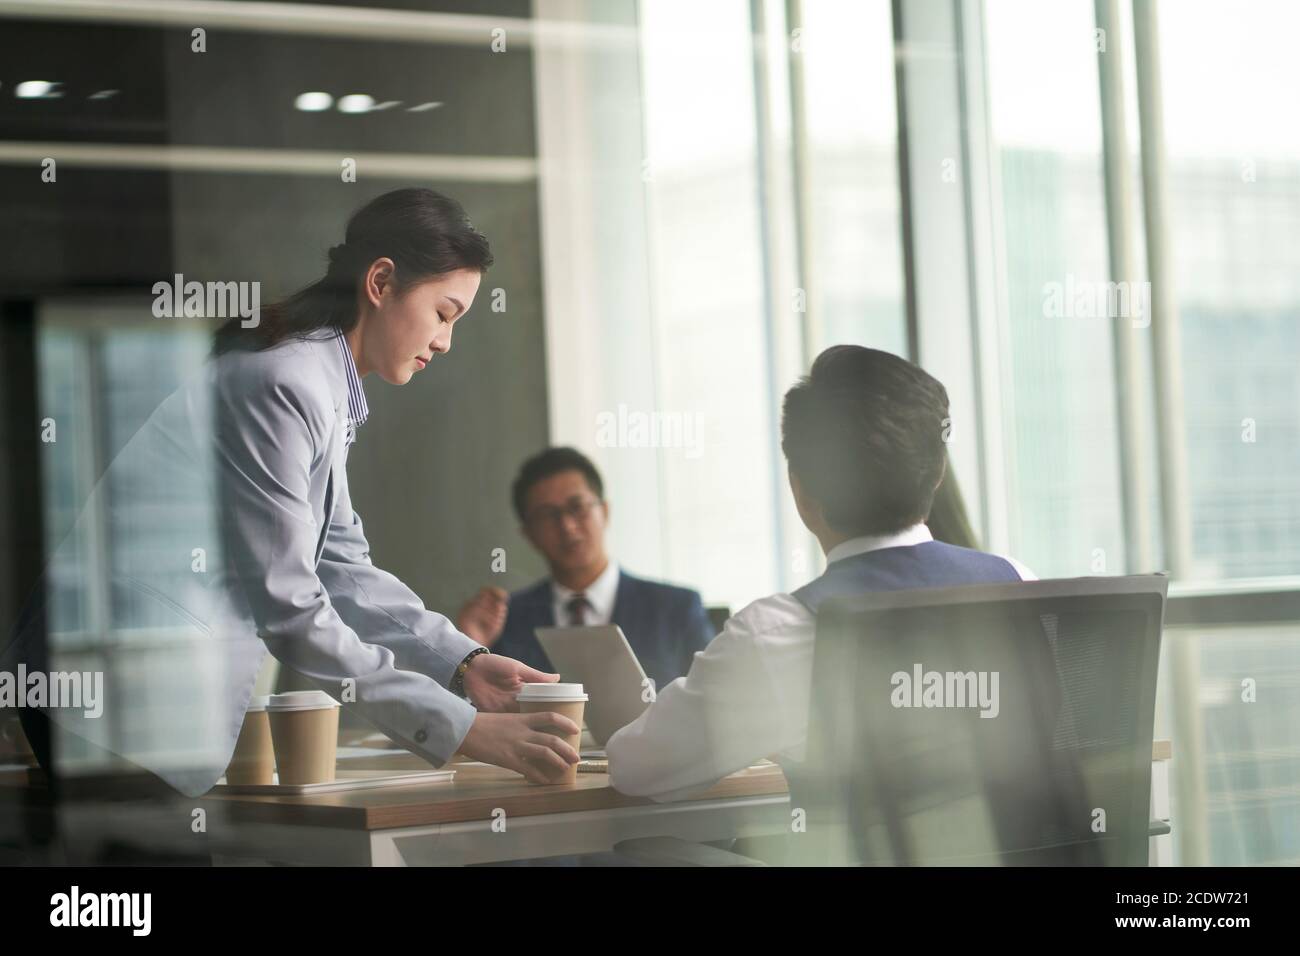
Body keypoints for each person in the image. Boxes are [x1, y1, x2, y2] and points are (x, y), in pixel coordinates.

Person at [6, 188, 579, 796]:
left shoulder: (318, 383)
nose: (445, 341)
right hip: (114, 700)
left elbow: (341, 565)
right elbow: (292, 608)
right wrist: (463, 730)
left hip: (130, 697)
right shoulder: (287, 382)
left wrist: (462, 664)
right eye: (444, 313)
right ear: (380, 282)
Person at [606, 345, 1035, 800]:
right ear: (937, 475)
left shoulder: (776, 634)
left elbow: (635, 768)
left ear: (800, 490)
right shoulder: (1021, 584)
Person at [456, 447, 713, 694]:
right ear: (528, 534)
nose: (567, 526)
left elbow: (710, 702)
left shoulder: (676, 609)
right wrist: (468, 646)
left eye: (577, 507)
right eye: (548, 515)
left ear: (605, 511)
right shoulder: (505, 620)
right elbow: (482, 714)